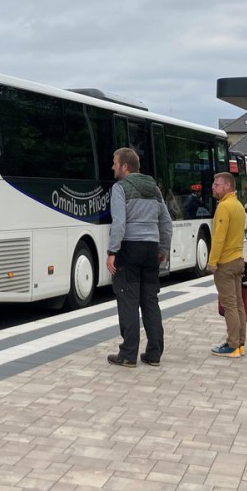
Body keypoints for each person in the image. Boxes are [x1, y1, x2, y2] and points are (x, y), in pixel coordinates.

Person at [106, 147, 173, 368]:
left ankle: (127, 354)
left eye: (115, 163)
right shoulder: (154, 189)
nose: (113, 167)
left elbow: (119, 223)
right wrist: (162, 249)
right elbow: (166, 223)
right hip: (151, 249)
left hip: (129, 249)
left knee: (128, 301)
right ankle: (154, 353)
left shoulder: (120, 188)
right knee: (150, 301)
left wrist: (112, 252)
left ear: (125, 166)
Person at [207, 171, 247, 357]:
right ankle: (240, 343)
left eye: (217, 184)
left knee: (229, 305)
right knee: (239, 304)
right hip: (238, 259)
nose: (213, 187)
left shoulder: (224, 207)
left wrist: (212, 262)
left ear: (227, 186)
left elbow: (219, 238)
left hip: (226, 262)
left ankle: (232, 346)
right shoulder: (238, 205)